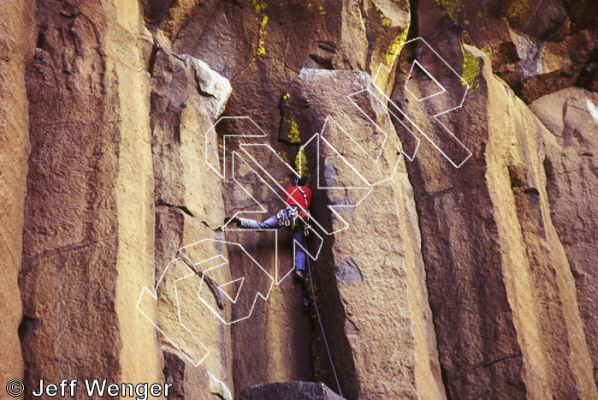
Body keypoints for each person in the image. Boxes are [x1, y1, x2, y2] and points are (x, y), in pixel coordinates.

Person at [224, 176, 312, 280]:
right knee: (299, 248)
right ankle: (299, 271)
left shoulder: (288, 190)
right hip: (300, 220)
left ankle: (240, 221)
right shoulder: (308, 191)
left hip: (286, 215)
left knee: (262, 226)